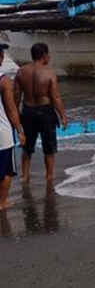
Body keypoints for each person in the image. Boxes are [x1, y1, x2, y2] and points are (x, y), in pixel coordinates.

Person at [14, 43, 68, 183]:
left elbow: (16, 97)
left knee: (27, 147)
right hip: (45, 111)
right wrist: (63, 115)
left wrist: (14, 117)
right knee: (49, 147)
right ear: (45, 56)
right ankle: (49, 175)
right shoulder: (49, 72)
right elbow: (55, 97)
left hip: (28, 111)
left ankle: (25, 176)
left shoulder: (21, 72)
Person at [0, 44, 25, 210]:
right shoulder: (3, 80)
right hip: (2, 133)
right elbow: (11, 108)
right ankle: (2, 202)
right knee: (7, 170)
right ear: (1, 59)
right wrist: (20, 130)